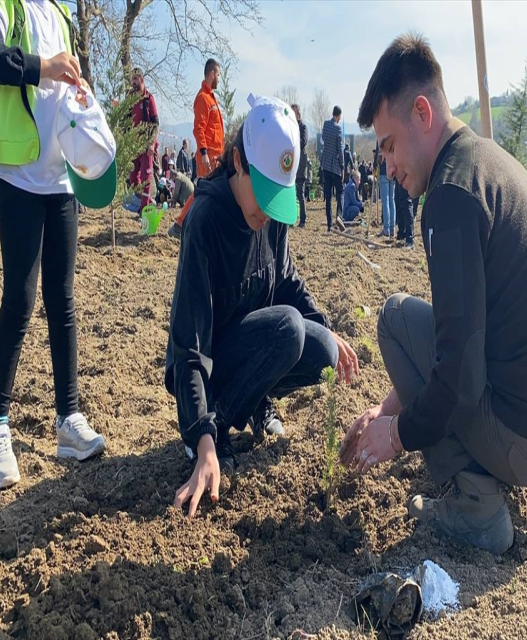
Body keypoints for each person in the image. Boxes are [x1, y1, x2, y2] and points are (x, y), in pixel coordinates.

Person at [344, 33, 527, 555]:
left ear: (422, 113)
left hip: (525, 437)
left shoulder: (450, 199)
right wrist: (386, 410)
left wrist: (398, 434)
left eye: (387, 144)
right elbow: (469, 335)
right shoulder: (488, 161)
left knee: (394, 319)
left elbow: (459, 377)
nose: (385, 165)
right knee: (435, 336)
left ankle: (477, 508)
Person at [166, 94, 359, 517]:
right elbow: (189, 343)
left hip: (254, 342)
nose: (269, 213)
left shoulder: (269, 221)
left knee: (320, 348)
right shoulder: (206, 221)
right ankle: (214, 429)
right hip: (204, 369)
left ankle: (252, 402)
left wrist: (327, 327)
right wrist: (203, 436)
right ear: (238, 162)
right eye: (264, 193)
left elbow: (287, 280)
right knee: (287, 329)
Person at [0, 0, 108, 489]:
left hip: (61, 177)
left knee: (63, 299)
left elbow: (63, 87)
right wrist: (43, 68)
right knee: (20, 299)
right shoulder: (1, 3)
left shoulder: (63, 12)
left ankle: (68, 420)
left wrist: (79, 86)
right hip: (19, 175)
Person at [168, 58, 225, 239]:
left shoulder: (210, 98)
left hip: (216, 154)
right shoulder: (203, 99)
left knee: (211, 190)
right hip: (209, 155)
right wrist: (203, 153)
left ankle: (199, 224)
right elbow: (199, 128)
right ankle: (180, 224)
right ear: (211, 74)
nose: (219, 79)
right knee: (202, 190)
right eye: (218, 74)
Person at [129, 68, 159, 214]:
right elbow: (126, 120)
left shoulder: (149, 99)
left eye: (136, 78)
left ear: (142, 79)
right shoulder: (131, 99)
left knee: (146, 177)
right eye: (132, 79)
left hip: (146, 144)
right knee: (133, 177)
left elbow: (155, 123)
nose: (134, 81)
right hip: (133, 145)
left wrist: (152, 143)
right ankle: (145, 201)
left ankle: (144, 209)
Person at [321, 105, 345, 232]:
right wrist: (342, 166)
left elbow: (324, 139)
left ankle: (329, 225)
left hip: (325, 164)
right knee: (340, 192)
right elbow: (340, 150)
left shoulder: (325, 125)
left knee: (328, 196)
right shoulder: (338, 129)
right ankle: (339, 217)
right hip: (335, 166)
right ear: (339, 115)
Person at [291, 103, 308, 228]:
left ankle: (303, 219)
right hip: (291, 162)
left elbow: (303, 142)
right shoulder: (290, 126)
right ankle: (291, 218)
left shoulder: (303, 127)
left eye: (294, 112)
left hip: (300, 162)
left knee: (299, 192)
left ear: (298, 114)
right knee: (291, 192)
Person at [377, 147, 396, 236]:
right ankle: (392, 229)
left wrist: (375, 165)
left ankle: (386, 229)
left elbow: (378, 158)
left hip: (384, 172)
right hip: (392, 172)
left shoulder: (381, 138)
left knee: (386, 202)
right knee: (391, 201)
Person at [394, 179, 416, 249]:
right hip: (399, 175)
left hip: (406, 173)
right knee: (399, 202)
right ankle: (401, 235)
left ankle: (410, 239)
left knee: (406, 202)